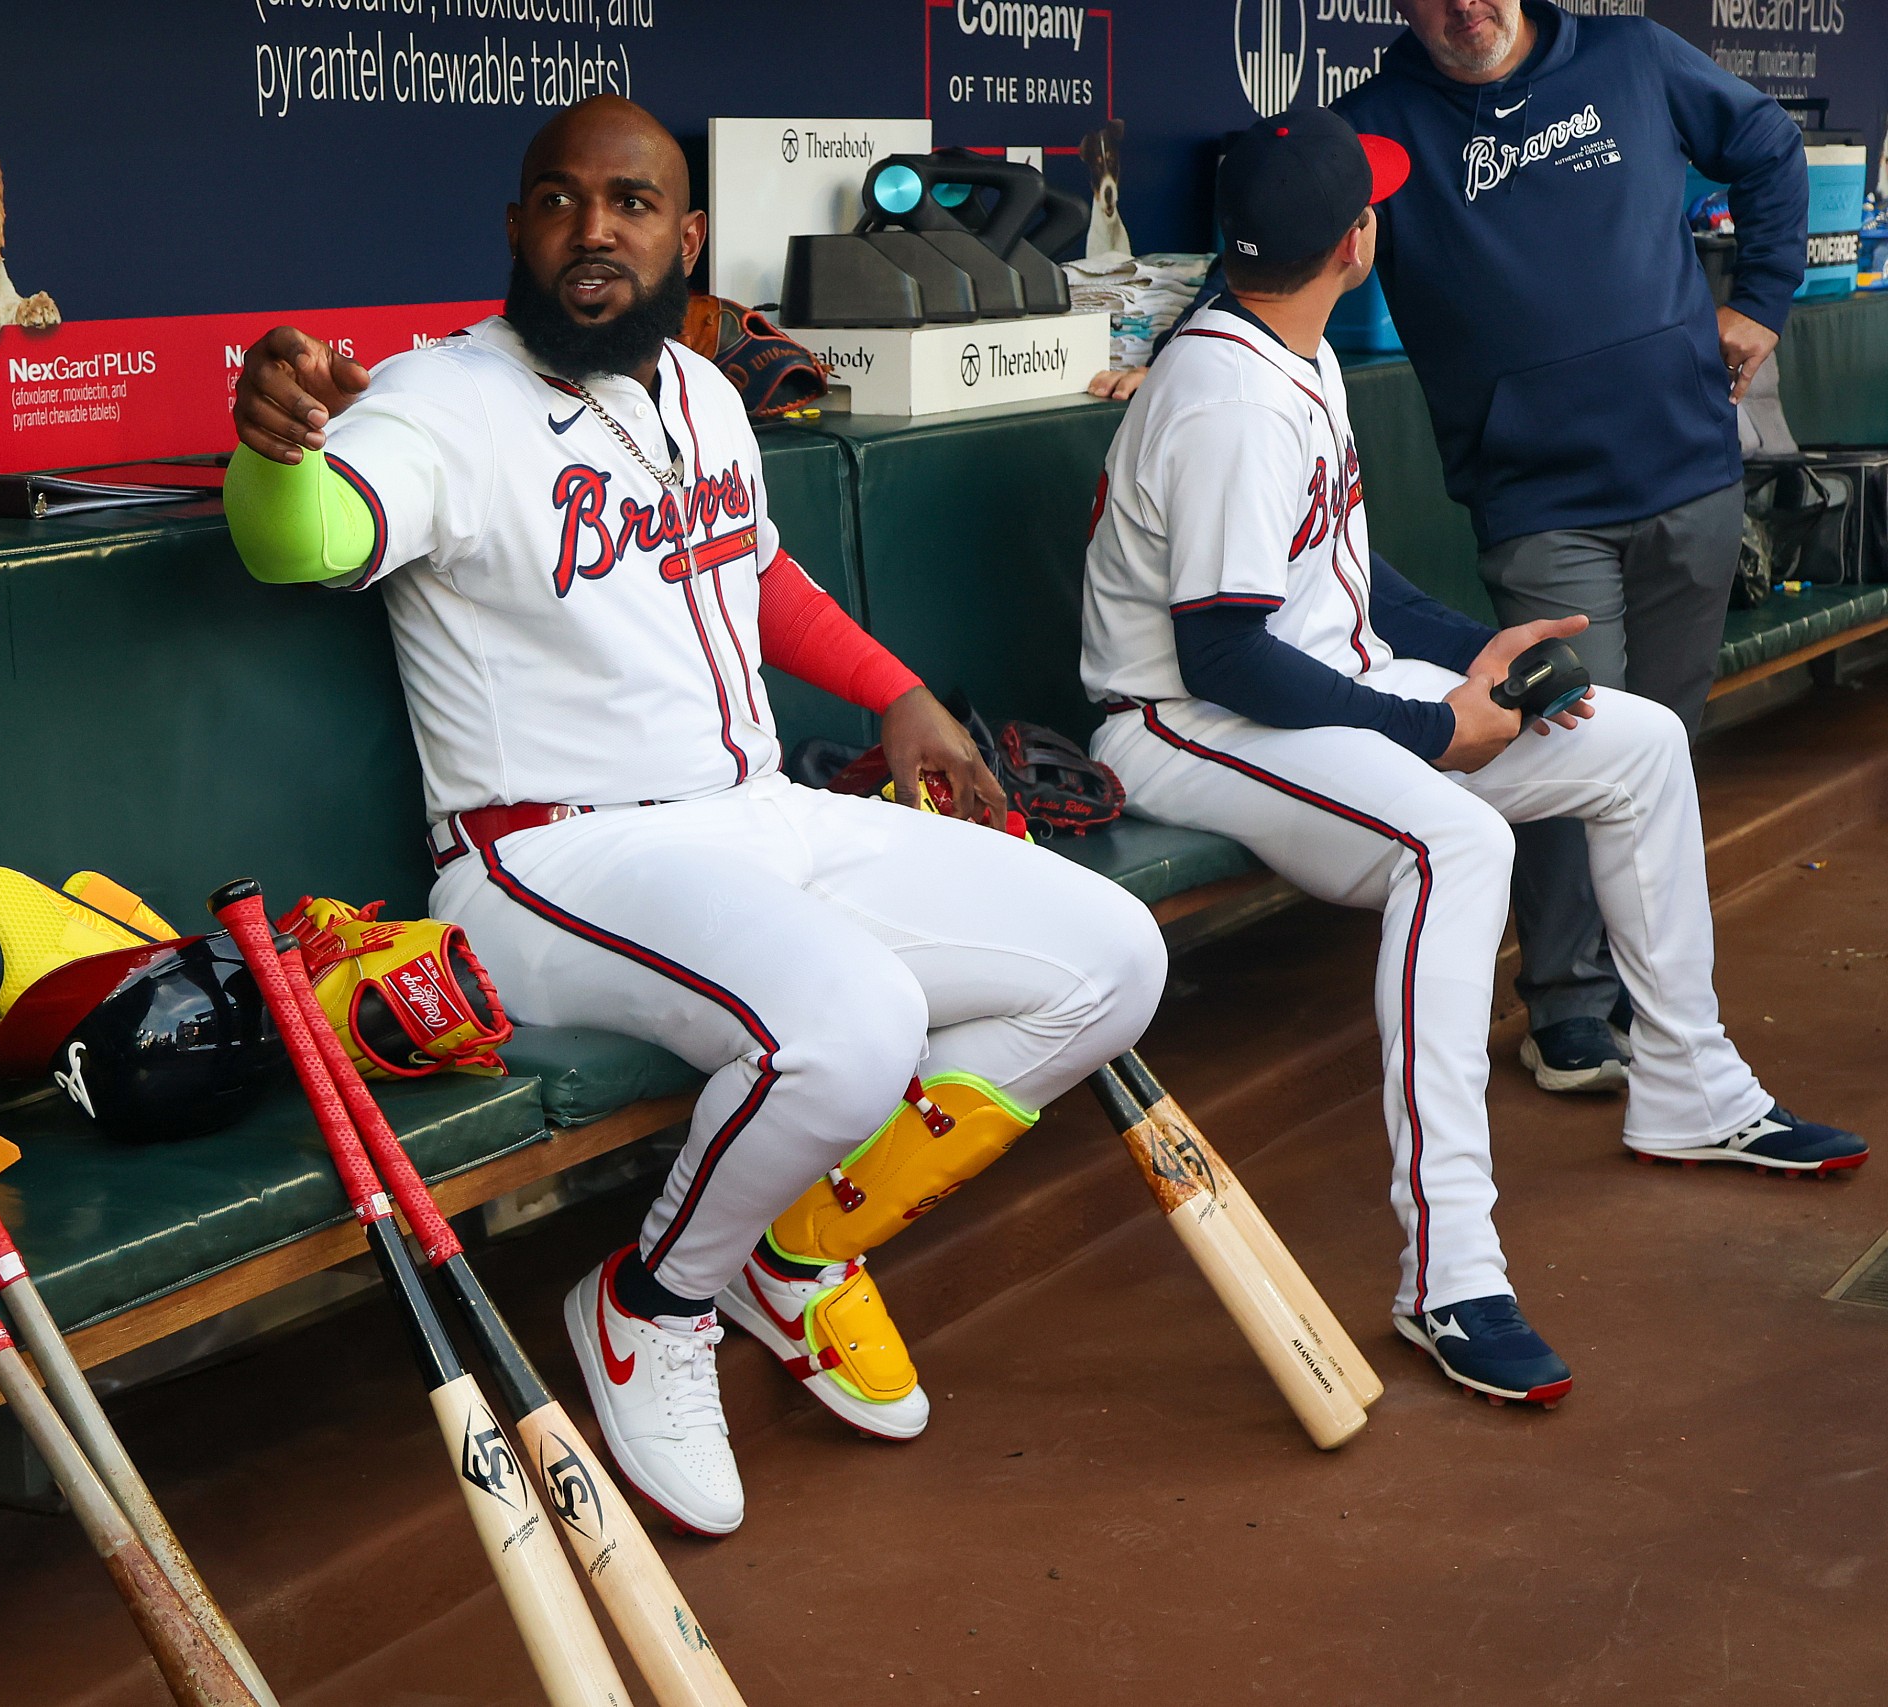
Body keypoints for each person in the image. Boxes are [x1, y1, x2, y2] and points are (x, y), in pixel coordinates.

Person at [223, 96, 1167, 1535]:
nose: (593, 230)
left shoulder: (702, 388)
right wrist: (276, 450)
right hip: (553, 856)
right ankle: (653, 1298)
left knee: (1112, 957)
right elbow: (313, 538)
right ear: (516, 226)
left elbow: (752, 574)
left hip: (758, 812)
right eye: (559, 200)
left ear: (688, 233)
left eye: (631, 202)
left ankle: (795, 1248)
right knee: (848, 1023)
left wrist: (897, 688)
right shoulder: (437, 399)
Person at [1079, 110, 1863, 1410]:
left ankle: (1689, 1083)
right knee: (1459, 837)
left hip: (1315, 684)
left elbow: (1341, 571)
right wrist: (1441, 729)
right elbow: (1222, 656)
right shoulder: (1224, 396)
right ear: (1357, 240)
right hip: (1183, 723)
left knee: (1641, 740)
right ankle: (1448, 1266)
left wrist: (1470, 651)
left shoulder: (1284, 338)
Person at [1337, 0, 1809, 1095]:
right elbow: (1290, 249)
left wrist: (1766, 301)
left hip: (1687, 466)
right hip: (1537, 496)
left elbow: (1768, 149)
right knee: (1566, 737)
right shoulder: (1379, 124)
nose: (1465, 10)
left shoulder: (1629, 55)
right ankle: (1566, 1005)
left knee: (1664, 750)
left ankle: (1661, 1001)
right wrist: (1185, 349)